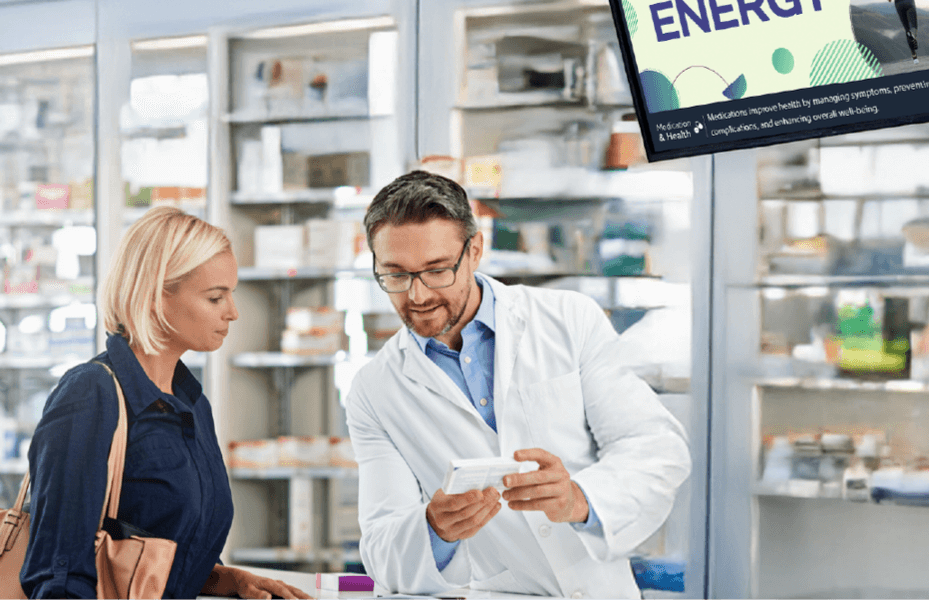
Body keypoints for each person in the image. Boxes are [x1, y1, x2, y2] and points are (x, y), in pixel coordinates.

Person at [346, 171, 691, 599]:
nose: (416, 296)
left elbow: (656, 447)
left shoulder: (569, 320)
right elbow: (382, 551)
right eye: (395, 276)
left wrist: (579, 499)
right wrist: (435, 531)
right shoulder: (374, 391)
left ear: (474, 251)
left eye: (436, 271)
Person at [21, 207, 312, 600]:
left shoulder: (190, 402)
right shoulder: (91, 395)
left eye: (231, 293)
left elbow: (156, 561)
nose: (233, 312)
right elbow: (57, 575)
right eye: (215, 297)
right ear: (157, 296)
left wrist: (228, 580)